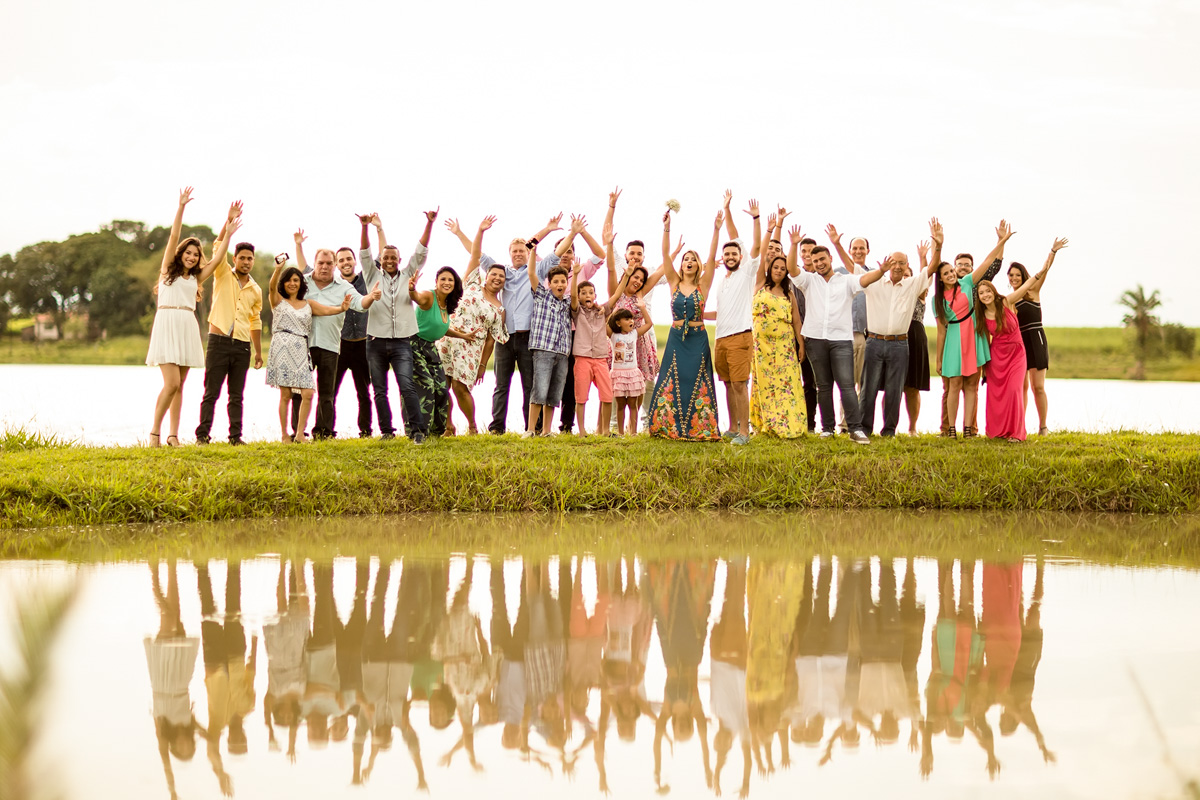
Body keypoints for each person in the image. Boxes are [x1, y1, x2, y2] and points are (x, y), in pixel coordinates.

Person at [446, 214, 566, 434]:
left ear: (528, 253)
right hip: (505, 337)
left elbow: (555, 253)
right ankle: (496, 428)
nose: (519, 254)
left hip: (529, 337)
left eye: (522, 251)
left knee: (529, 385)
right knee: (501, 385)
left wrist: (549, 229)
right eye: (515, 251)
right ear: (510, 254)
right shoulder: (502, 272)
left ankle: (534, 428)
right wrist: (459, 232)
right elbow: (475, 253)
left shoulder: (536, 270)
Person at [146, 189, 240, 447]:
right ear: (180, 253)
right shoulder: (167, 270)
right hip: (167, 324)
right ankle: (155, 431)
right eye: (188, 253)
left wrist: (228, 231)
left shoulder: (195, 278)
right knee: (172, 383)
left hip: (187, 325)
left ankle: (173, 435)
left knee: (181, 385)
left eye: (196, 255)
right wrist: (181, 207)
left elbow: (219, 257)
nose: (192, 257)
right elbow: (174, 235)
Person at [786, 227, 886, 443]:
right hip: (815, 339)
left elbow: (866, 280)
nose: (819, 264)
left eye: (822, 259)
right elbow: (791, 269)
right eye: (815, 261)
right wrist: (794, 244)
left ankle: (855, 429)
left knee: (847, 385)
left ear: (830, 258)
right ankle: (828, 428)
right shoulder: (808, 281)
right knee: (823, 386)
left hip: (841, 340)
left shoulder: (846, 280)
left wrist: (882, 270)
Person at [266, 258, 378, 443]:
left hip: (304, 348)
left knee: (310, 392)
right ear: (283, 283)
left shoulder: (307, 303)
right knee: (288, 394)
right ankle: (288, 434)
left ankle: (310, 433)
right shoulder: (278, 301)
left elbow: (327, 310)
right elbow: (271, 288)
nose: (292, 284)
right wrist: (278, 269)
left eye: (296, 280)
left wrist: (342, 308)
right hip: (283, 350)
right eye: (289, 280)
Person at [358, 211, 435, 442]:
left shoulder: (408, 275)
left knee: (407, 386)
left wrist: (429, 223)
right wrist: (365, 227)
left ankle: (417, 431)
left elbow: (420, 250)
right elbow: (364, 252)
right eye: (386, 257)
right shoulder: (372, 274)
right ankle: (387, 432)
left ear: (399, 260)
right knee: (380, 390)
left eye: (394, 257)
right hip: (375, 341)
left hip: (402, 341)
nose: (389, 260)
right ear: (381, 260)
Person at [934, 219, 1014, 439]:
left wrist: (1001, 241)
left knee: (972, 385)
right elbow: (941, 331)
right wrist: (939, 358)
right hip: (953, 339)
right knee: (953, 384)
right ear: (940, 279)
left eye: (952, 271)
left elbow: (989, 261)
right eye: (947, 273)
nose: (951, 274)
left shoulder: (968, 282)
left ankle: (969, 429)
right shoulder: (937, 299)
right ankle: (950, 429)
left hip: (974, 337)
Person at [647, 209, 721, 441]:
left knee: (698, 378)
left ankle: (700, 428)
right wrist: (667, 227)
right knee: (673, 377)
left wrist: (716, 230)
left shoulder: (704, 284)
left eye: (692, 260)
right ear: (682, 266)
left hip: (698, 338)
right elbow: (665, 254)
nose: (688, 262)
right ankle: (668, 426)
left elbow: (711, 253)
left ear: (699, 265)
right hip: (676, 337)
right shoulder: (673, 282)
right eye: (685, 259)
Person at [292, 229, 372, 439]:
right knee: (298, 391)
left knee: (327, 394)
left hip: (330, 345)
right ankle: (297, 432)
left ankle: (323, 432)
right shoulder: (303, 282)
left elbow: (360, 304)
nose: (325, 267)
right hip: (303, 345)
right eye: (321, 263)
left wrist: (370, 297)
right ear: (315, 263)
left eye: (329, 263)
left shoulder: (343, 286)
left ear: (334, 265)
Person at [857, 235, 938, 437]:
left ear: (907, 265)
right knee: (869, 389)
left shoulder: (912, 285)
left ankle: (889, 431)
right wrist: (837, 244)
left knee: (894, 390)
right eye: (894, 262)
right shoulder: (875, 283)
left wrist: (939, 246)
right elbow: (854, 267)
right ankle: (864, 429)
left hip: (899, 344)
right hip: (874, 341)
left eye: (902, 263)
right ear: (888, 262)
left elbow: (931, 269)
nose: (898, 266)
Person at [195, 205, 262, 446]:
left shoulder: (256, 289)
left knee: (236, 396)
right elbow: (217, 247)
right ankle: (202, 436)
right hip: (219, 342)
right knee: (211, 392)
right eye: (242, 257)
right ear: (234, 259)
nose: (246, 261)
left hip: (242, 346)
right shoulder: (222, 272)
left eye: (249, 258)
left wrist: (258, 352)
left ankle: (235, 437)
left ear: (253, 261)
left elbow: (255, 321)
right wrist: (228, 222)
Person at [603, 189, 669, 430]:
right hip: (619, 339)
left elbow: (665, 267)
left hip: (642, 335)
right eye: (632, 253)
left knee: (645, 381)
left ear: (643, 256)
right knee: (617, 381)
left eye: (639, 254)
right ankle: (613, 426)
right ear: (627, 255)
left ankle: (646, 423)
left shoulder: (645, 279)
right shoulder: (621, 271)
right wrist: (611, 207)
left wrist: (667, 231)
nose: (635, 257)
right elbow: (608, 246)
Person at [439, 217, 509, 435]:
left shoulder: (500, 308)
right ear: (486, 277)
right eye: (493, 274)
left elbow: (491, 339)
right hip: (448, 338)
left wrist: (482, 365)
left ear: (504, 282)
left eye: (501, 276)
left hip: (471, 348)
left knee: (460, 388)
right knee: (442, 386)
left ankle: (471, 425)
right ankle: (448, 425)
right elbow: (475, 254)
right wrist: (480, 231)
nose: (497, 278)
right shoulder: (472, 284)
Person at [975, 252, 1054, 441]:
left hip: (1018, 351)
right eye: (981, 293)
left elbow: (1028, 284)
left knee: (1016, 390)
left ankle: (1020, 432)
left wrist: (1047, 261)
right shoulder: (981, 316)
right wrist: (984, 367)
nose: (985, 295)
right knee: (998, 393)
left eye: (988, 291)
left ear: (994, 292)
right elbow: (985, 341)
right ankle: (999, 431)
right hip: (998, 356)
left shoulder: (1006, 302)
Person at [523, 218, 585, 438]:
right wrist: (533, 251)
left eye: (563, 282)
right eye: (556, 281)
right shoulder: (541, 295)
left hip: (562, 351)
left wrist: (575, 275)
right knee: (539, 389)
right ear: (549, 283)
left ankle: (547, 431)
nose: (560, 284)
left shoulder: (568, 301)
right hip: (543, 349)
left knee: (554, 393)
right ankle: (531, 429)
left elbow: (576, 299)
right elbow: (531, 274)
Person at [145, 560, 201, 800]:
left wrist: (172, 789)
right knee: (175, 613)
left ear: (175, 748)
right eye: (190, 747)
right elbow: (212, 735)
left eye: (183, 749)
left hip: (163, 678)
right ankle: (167, 568)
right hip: (180, 676)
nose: (185, 745)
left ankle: (159, 571)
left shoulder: (163, 732)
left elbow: (164, 761)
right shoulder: (191, 724)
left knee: (168, 615)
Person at [711, 191, 762, 445]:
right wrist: (696, 315)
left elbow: (748, 242)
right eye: (727, 255)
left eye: (735, 254)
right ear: (723, 258)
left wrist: (755, 218)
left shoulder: (746, 273)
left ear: (740, 257)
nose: (731, 257)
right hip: (720, 339)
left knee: (741, 385)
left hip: (740, 336)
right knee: (728, 385)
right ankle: (732, 428)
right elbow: (720, 313)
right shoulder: (723, 281)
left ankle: (744, 433)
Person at [750, 219, 807, 438]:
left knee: (786, 386)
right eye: (776, 267)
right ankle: (764, 424)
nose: (779, 271)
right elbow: (763, 251)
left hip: (784, 346)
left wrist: (800, 345)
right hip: (762, 346)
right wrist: (772, 228)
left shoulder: (788, 294)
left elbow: (796, 322)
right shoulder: (758, 285)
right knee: (764, 385)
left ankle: (788, 424)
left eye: (783, 269)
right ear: (770, 268)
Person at [408, 266, 479, 437]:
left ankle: (437, 431)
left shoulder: (446, 304)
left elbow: (440, 328)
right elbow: (416, 297)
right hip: (414, 345)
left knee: (441, 388)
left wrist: (463, 336)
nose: (447, 283)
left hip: (430, 347)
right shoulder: (428, 296)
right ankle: (419, 431)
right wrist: (411, 289)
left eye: (450, 280)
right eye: (443, 279)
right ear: (437, 282)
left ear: (455, 284)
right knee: (427, 385)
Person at [1008, 238, 1068, 435]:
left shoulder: (1032, 291)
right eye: (1011, 275)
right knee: (1021, 387)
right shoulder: (1010, 300)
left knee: (1038, 386)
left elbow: (1044, 270)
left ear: (1023, 275)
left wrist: (1053, 251)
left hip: (1036, 339)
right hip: (1020, 344)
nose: (1014, 278)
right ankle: (1020, 426)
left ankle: (1043, 427)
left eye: (1017, 275)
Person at [569, 224, 624, 436]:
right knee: (581, 396)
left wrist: (626, 276)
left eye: (590, 292)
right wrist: (575, 277)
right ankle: (582, 430)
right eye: (584, 293)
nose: (587, 296)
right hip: (582, 357)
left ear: (595, 294)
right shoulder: (576, 311)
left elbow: (617, 296)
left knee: (607, 395)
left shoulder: (602, 311)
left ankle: (603, 431)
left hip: (601, 358)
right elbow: (573, 298)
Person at [331, 243, 373, 439]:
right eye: (341, 260)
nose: (345, 263)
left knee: (364, 393)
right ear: (336, 265)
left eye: (349, 259)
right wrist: (298, 245)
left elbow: (380, 255)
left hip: (363, 345)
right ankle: (325, 431)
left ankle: (365, 431)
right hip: (339, 345)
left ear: (355, 261)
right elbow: (307, 269)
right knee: (330, 392)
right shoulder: (333, 284)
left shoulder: (367, 279)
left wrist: (375, 228)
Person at [609, 305, 654, 435]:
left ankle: (633, 433)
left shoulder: (634, 334)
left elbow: (649, 323)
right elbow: (603, 323)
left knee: (633, 404)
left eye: (631, 319)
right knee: (620, 404)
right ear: (618, 323)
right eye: (627, 319)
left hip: (632, 373)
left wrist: (643, 308)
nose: (631, 322)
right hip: (618, 375)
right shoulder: (613, 335)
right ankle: (621, 433)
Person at [903, 241, 933, 435]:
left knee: (912, 386)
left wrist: (923, 258)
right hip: (894, 336)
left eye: (908, 275)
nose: (905, 278)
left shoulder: (919, 291)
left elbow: (925, 277)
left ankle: (912, 428)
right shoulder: (891, 292)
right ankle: (889, 427)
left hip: (915, 335)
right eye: (902, 275)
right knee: (892, 385)